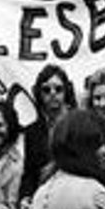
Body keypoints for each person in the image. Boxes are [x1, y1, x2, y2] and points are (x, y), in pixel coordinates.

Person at [22, 64, 79, 201]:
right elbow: (29, 173)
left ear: (67, 92)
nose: (52, 93)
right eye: (46, 90)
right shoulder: (31, 132)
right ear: (39, 94)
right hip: (42, 196)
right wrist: (25, 198)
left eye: (58, 89)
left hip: (75, 194)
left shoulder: (80, 125)